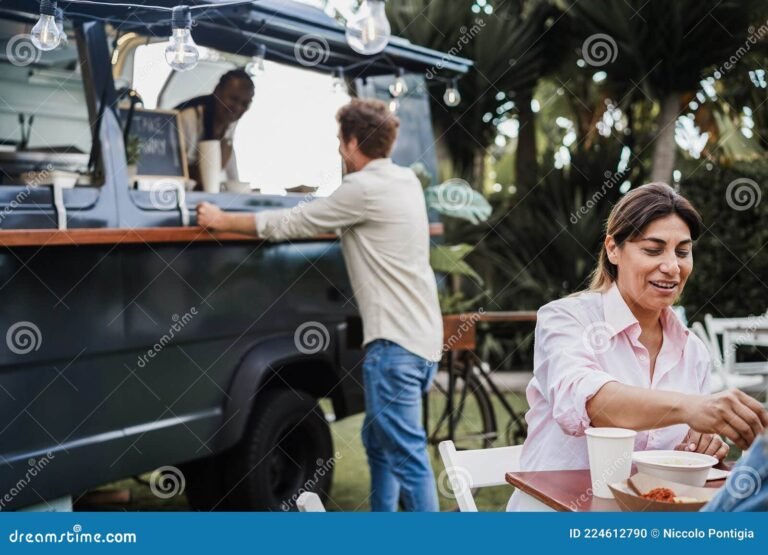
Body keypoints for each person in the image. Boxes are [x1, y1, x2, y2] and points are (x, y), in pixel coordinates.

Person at [195, 98, 443, 512]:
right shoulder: (405, 181)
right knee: (379, 443)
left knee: (407, 454)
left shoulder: (362, 189)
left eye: (339, 139)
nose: (338, 147)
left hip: (395, 346)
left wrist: (223, 221)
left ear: (351, 143)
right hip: (424, 341)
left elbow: (293, 222)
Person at [507, 182, 768, 511]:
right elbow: (589, 402)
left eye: (682, 252)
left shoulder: (693, 351)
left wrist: (700, 445)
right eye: (653, 250)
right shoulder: (565, 319)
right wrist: (691, 408)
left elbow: (682, 448)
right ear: (613, 249)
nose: (672, 267)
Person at [175, 68, 254, 189]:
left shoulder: (230, 123)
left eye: (245, 104)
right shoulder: (188, 118)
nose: (238, 108)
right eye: (233, 99)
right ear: (217, 91)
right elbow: (174, 170)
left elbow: (230, 171)